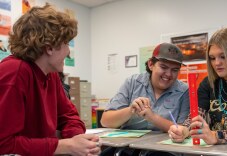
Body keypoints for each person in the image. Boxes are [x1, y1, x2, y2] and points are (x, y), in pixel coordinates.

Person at [0, 4, 101, 155]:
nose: (68, 52)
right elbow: (4, 145)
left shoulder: (50, 73)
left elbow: (69, 116)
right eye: (66, 43)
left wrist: (77, 139)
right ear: (49, 48)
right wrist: (66, 146)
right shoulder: (14, 72)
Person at [101, 43, 189, 155]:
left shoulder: (184, 91)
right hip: (127, 149)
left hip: (164, 151)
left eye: (175, 70)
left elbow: (183, 130)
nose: (168, 74)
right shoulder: (132, 82)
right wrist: (130, 110)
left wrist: (153, 117)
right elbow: (105, 121)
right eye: (163, 67)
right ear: (151, 64)